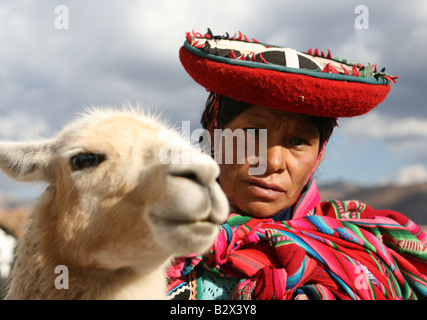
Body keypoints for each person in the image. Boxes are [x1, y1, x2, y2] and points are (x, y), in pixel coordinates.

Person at [167, 29, 426, 300]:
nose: (273, 162)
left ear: (319, 154)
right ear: (214, 130)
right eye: (255, 132)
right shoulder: (145, 237)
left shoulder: (369, 252)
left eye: (298, 141)